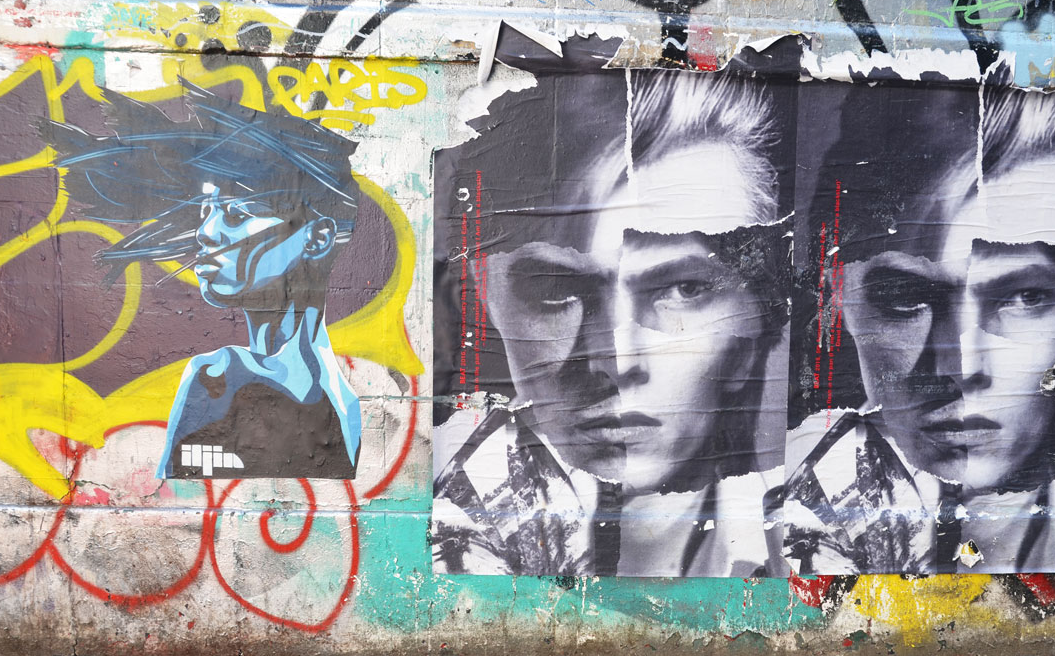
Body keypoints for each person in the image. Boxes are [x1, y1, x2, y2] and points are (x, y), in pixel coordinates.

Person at [432, 69, 791, 577]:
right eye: (558, 289)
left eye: (683, 289)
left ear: (754, 323)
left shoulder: (818, 526)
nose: (616, 362)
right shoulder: (451, 546)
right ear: (485, 296)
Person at [771, 86, 1055, 575]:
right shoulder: (787, 513)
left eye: (1024, 298)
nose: (961, 367)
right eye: (906, 299)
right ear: (838, 300)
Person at [41, 82, 363, 479]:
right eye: (206, 212)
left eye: (237, 213)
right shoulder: (346, 404)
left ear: (316, 238)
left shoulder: (219, 377)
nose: (205, 232)